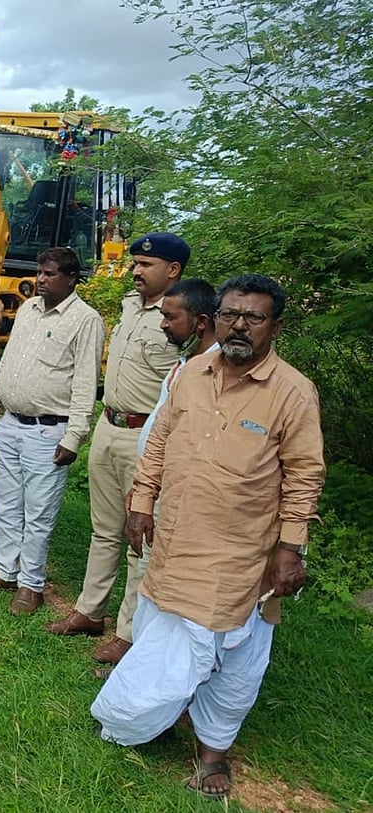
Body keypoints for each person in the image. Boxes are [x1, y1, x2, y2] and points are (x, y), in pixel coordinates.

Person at [91, 274, 324, 801]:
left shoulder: (292, 391)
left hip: (241, 553)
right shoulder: (192, 372)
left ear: (275, 327)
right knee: (161, 629)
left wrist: (290, 548)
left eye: (253, 317)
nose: (239, 326)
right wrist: (142, 503)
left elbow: (305, 475)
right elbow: (158, 442)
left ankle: (213, 751)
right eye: (230, 315)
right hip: (175, 538)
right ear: (215, 320)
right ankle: (158, 713)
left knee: (233, 653)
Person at [46, 232, 185, 640]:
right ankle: (89, 612)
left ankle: (128, 633)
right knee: (104, 530)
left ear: (173, 270)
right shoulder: (129, 305)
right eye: (136, 264)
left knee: (140, 537)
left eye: (146, 265)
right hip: (108, 425)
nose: (136, 271)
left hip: (146, 436)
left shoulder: (182, 317)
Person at [0, 248, 104, 613]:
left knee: (39, 512)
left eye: (50, 274)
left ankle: (31, 584)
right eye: (40, 272)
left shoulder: (85, 320)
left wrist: (74, 436)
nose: (41, 279)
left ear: (71, 278)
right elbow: (9, 362)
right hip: (11, 423)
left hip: (48, 431)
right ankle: (5, 571)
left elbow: (85, 383)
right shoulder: (28, 309)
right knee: (4, 503)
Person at [93, 277, 220, 668]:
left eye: (171, 318)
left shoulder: (214, 371)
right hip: (152, 477)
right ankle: (138, 650)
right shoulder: (185, 362)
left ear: (200, 322)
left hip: (178, 486)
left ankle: (142, 652)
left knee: (152, 569)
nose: (163, 325)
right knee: (140, 554)